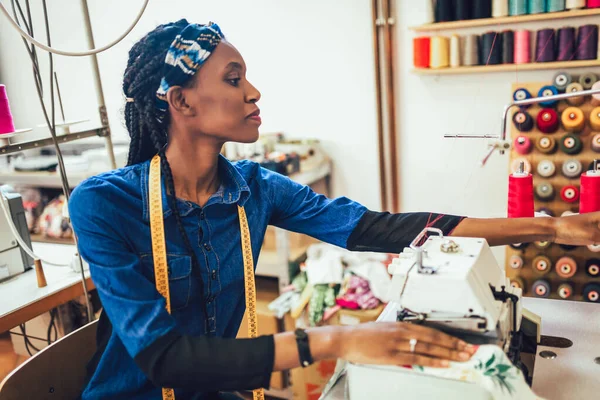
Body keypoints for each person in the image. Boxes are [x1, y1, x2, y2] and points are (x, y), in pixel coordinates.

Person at [68, 20, 600, 400]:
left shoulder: (255, 187)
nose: (254, 92)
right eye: (233, 79)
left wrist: (550, 226)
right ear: (180, 102)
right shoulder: (103, 204)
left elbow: (376, 228)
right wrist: (340, 338)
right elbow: (163, 357)